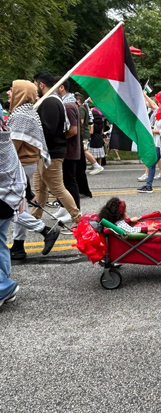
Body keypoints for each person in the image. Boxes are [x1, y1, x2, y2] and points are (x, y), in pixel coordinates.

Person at [6, 80, 60, 259]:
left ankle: (45, 230)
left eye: (12, 90)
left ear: (21, 93)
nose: (8, 93)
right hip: (25, 164)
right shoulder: (28, 112)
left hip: (17, 164)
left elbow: (11, 147)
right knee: (19, 205)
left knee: (8, 207)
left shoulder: (21, 115)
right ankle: (19, 246)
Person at [32, 71, 81, 227]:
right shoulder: (54, 100)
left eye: (35, 84)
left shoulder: (49, 102)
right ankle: (34, 219)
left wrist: (31, 136)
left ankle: (78, 219)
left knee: (58, 188)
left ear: (41, 85)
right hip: (47, 152)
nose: (34, 88)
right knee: (40, 189)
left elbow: (48, 130)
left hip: (51, 153)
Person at [0, 116, 25, 306]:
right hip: (9, 196)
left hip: (3, 196)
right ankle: (5, 284)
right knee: (0, 242)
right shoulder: (5, 133)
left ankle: (3, 286)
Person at [52, 79, 81, 226]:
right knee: (65, 181)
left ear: (61, 87)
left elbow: (73, 130)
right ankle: (64, 208)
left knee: (69, 182)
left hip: (69, 150)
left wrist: (58, 139)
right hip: (69, 150)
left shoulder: (68, 105)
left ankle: (75, 210)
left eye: (55, 87)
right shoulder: (69, 103)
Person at [75, 94, 93, 198]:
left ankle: (96, 165)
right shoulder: (82, 108)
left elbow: (80, 122)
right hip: (82, 135)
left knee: (84, 151)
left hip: (81, 135)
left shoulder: (81, 109)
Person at [88, 108, 107, 172]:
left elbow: (91, 132)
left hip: (94, 138)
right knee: (100, 152)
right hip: (99, 138)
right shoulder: (101, 124)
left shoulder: (93, 124)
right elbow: (102, 132)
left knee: (94, 153)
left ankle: (95, 165)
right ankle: (99, 164)